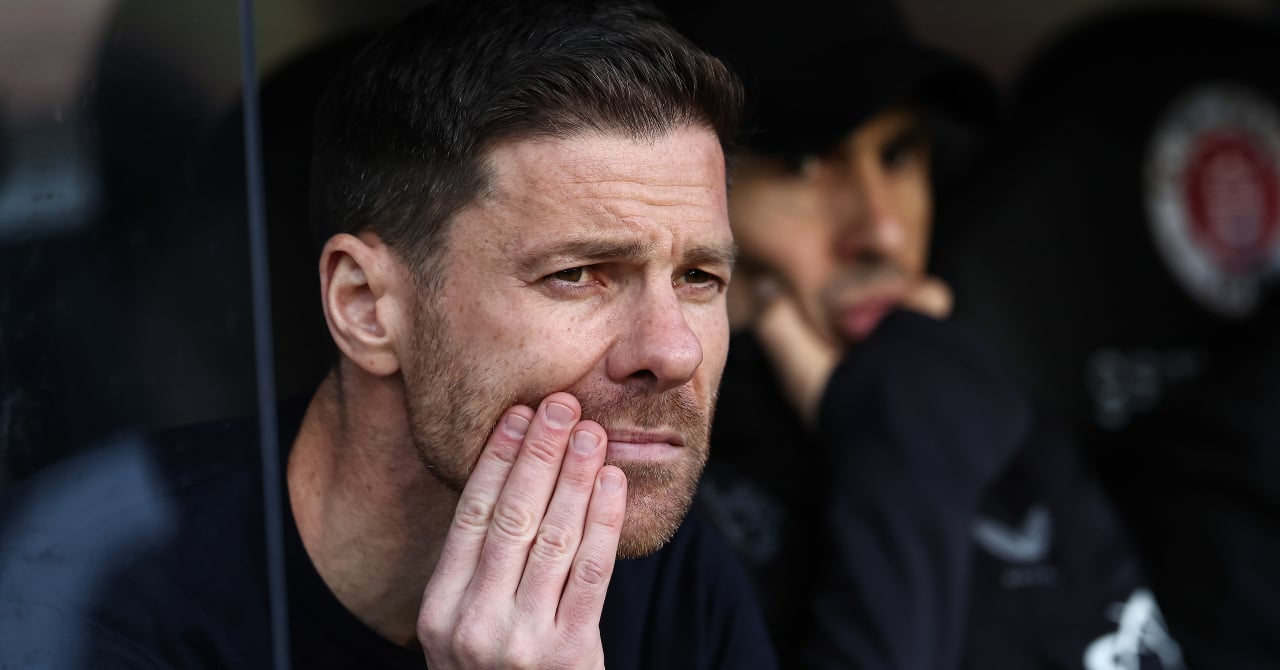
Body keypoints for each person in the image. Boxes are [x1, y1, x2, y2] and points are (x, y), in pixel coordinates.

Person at [0, 1, 780, 668]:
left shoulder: (663, 572)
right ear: (366, 306)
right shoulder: (93, 590)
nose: (673, 350)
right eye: (576, 274)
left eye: (698, 278)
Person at [658, 1, 1184, 668]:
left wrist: (906, 409)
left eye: (898, 153)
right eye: (803, 164)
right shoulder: (654, 500)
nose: (882, 232)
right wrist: (905, 434)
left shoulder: (958, 386)